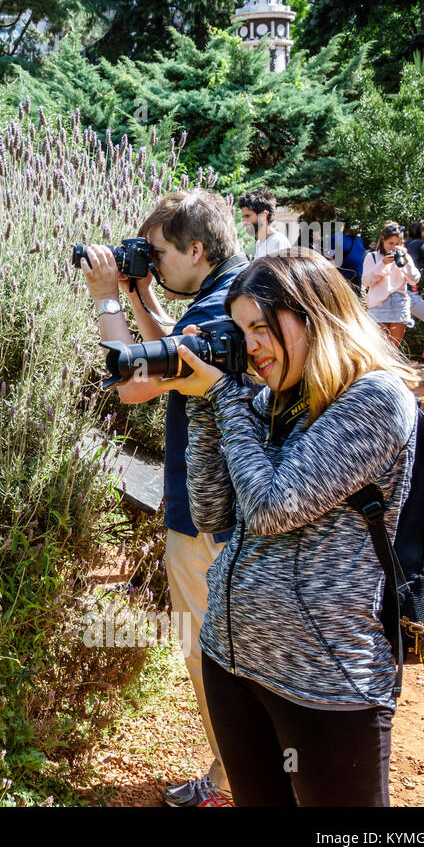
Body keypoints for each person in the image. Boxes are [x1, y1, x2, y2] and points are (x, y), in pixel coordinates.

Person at [164, 247, 419, 806]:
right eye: (240, 329)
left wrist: (225, 400)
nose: (249, 345)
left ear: (315, 316)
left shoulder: (375, 399)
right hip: (233, 663)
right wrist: (207, 408)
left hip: (324, 680)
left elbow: (272, 507)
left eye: (261, 326)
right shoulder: (271, 398)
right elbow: (214, 513)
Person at [79, 189, 249, 807]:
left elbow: (136, 384)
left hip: (208, 514)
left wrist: (106, 298)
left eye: (157, 253)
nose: (149, 262)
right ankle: (242, 773)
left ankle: (236, 782)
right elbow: (177, 358)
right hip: (241, 505)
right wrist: (143, 296)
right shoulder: (235, 293)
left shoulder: (220, 308)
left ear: (195, 248)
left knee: (210, 656)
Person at [363, 221, 422, 347]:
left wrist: (407, 263)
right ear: (383, 241)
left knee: (394, 349)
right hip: (378, 306)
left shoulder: (404, 257)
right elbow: (366, 282)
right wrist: (382, 264)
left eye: (397, 244)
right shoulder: (372, 257)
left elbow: (414, 279)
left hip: (399, 304)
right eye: (390, 243)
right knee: (380, 348)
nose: (393, 247)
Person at [237, 188, 290, 259]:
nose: (243, 222)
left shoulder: (278, 242)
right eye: (243, 217)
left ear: (263, 215)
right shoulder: (258, 243)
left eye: (247, 216)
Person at [327, 224, 365, 292]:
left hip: (357, 275)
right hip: (342, 274)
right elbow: (329, 254)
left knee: (355, 299)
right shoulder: (337, 236)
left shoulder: (358, 239)